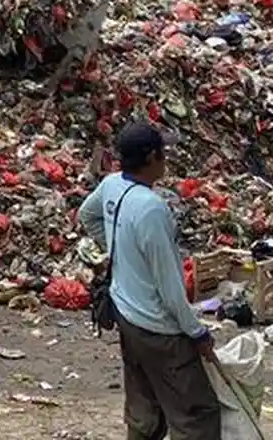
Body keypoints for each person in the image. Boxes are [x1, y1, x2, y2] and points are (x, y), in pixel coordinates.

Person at [79, 121, 221, 440]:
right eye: (163, 152)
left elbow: (86, 215)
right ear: (153, 157)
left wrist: (117, 250)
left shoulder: (113, 184)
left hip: (126, 314)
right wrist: (197, 332)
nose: (166, 158)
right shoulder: (152, 210)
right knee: (196, 414)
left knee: (144, 406)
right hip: (159, 329)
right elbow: (170, 288)